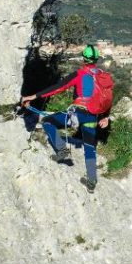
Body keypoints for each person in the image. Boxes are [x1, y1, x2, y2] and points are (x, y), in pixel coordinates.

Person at [21, 44, 111, 193]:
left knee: (48, 122)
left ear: (84, 58)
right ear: (96, 59)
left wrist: (33, 96)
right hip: (93, 117)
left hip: (77, 113)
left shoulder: (80, 74)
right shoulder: (103, 76)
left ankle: (62, 150)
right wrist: (106, 116)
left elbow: (58, 87)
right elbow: (107, 99)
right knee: (90, 147)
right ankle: (91, 181)